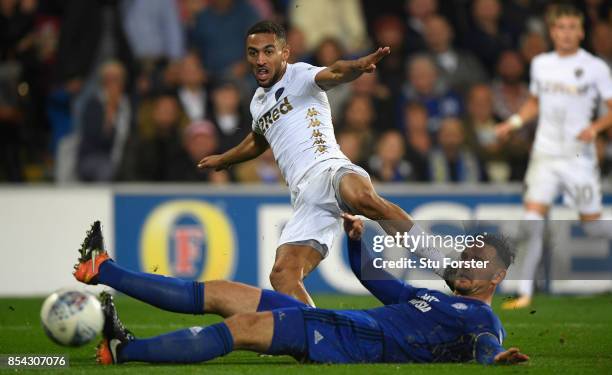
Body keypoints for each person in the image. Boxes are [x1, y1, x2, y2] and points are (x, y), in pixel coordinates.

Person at [197, 21, 446, 307]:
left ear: (284, 53)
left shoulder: (300, 75)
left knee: (363, 198)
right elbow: (259, 139)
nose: (261, 60)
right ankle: (319, 337)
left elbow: (337, 71)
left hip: (330, 169)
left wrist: (359, 65)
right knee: (283, 276)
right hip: (306, 199)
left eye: (268, 51)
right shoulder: (257, 102)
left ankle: (444, 266)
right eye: (253, 53)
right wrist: (224, 160)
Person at [72, 216, 529, 366]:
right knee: (220, 291)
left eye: (478, 261)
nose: (466, 264)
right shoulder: (431, 297)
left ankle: (124, 350)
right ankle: (104, 269)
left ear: (497, 279)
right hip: (347, 323)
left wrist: (497, 359)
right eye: (466, 255)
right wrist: (355, 240)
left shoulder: (482, 318)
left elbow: (487, 345)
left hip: (355, 339)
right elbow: (375, 279)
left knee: (244, 327)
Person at [495, 5, 612, 309]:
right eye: (561, 27)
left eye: (573, 27)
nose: (567, 33)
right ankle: (524, 292)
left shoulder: (596, 67)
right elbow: (534, 103)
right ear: (552, 31)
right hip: (545, 155)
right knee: (533, 220)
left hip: (578, 157)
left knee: (593, 225)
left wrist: (595, 128)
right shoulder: (541, 64)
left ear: (582, 31)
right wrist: (514, 123)